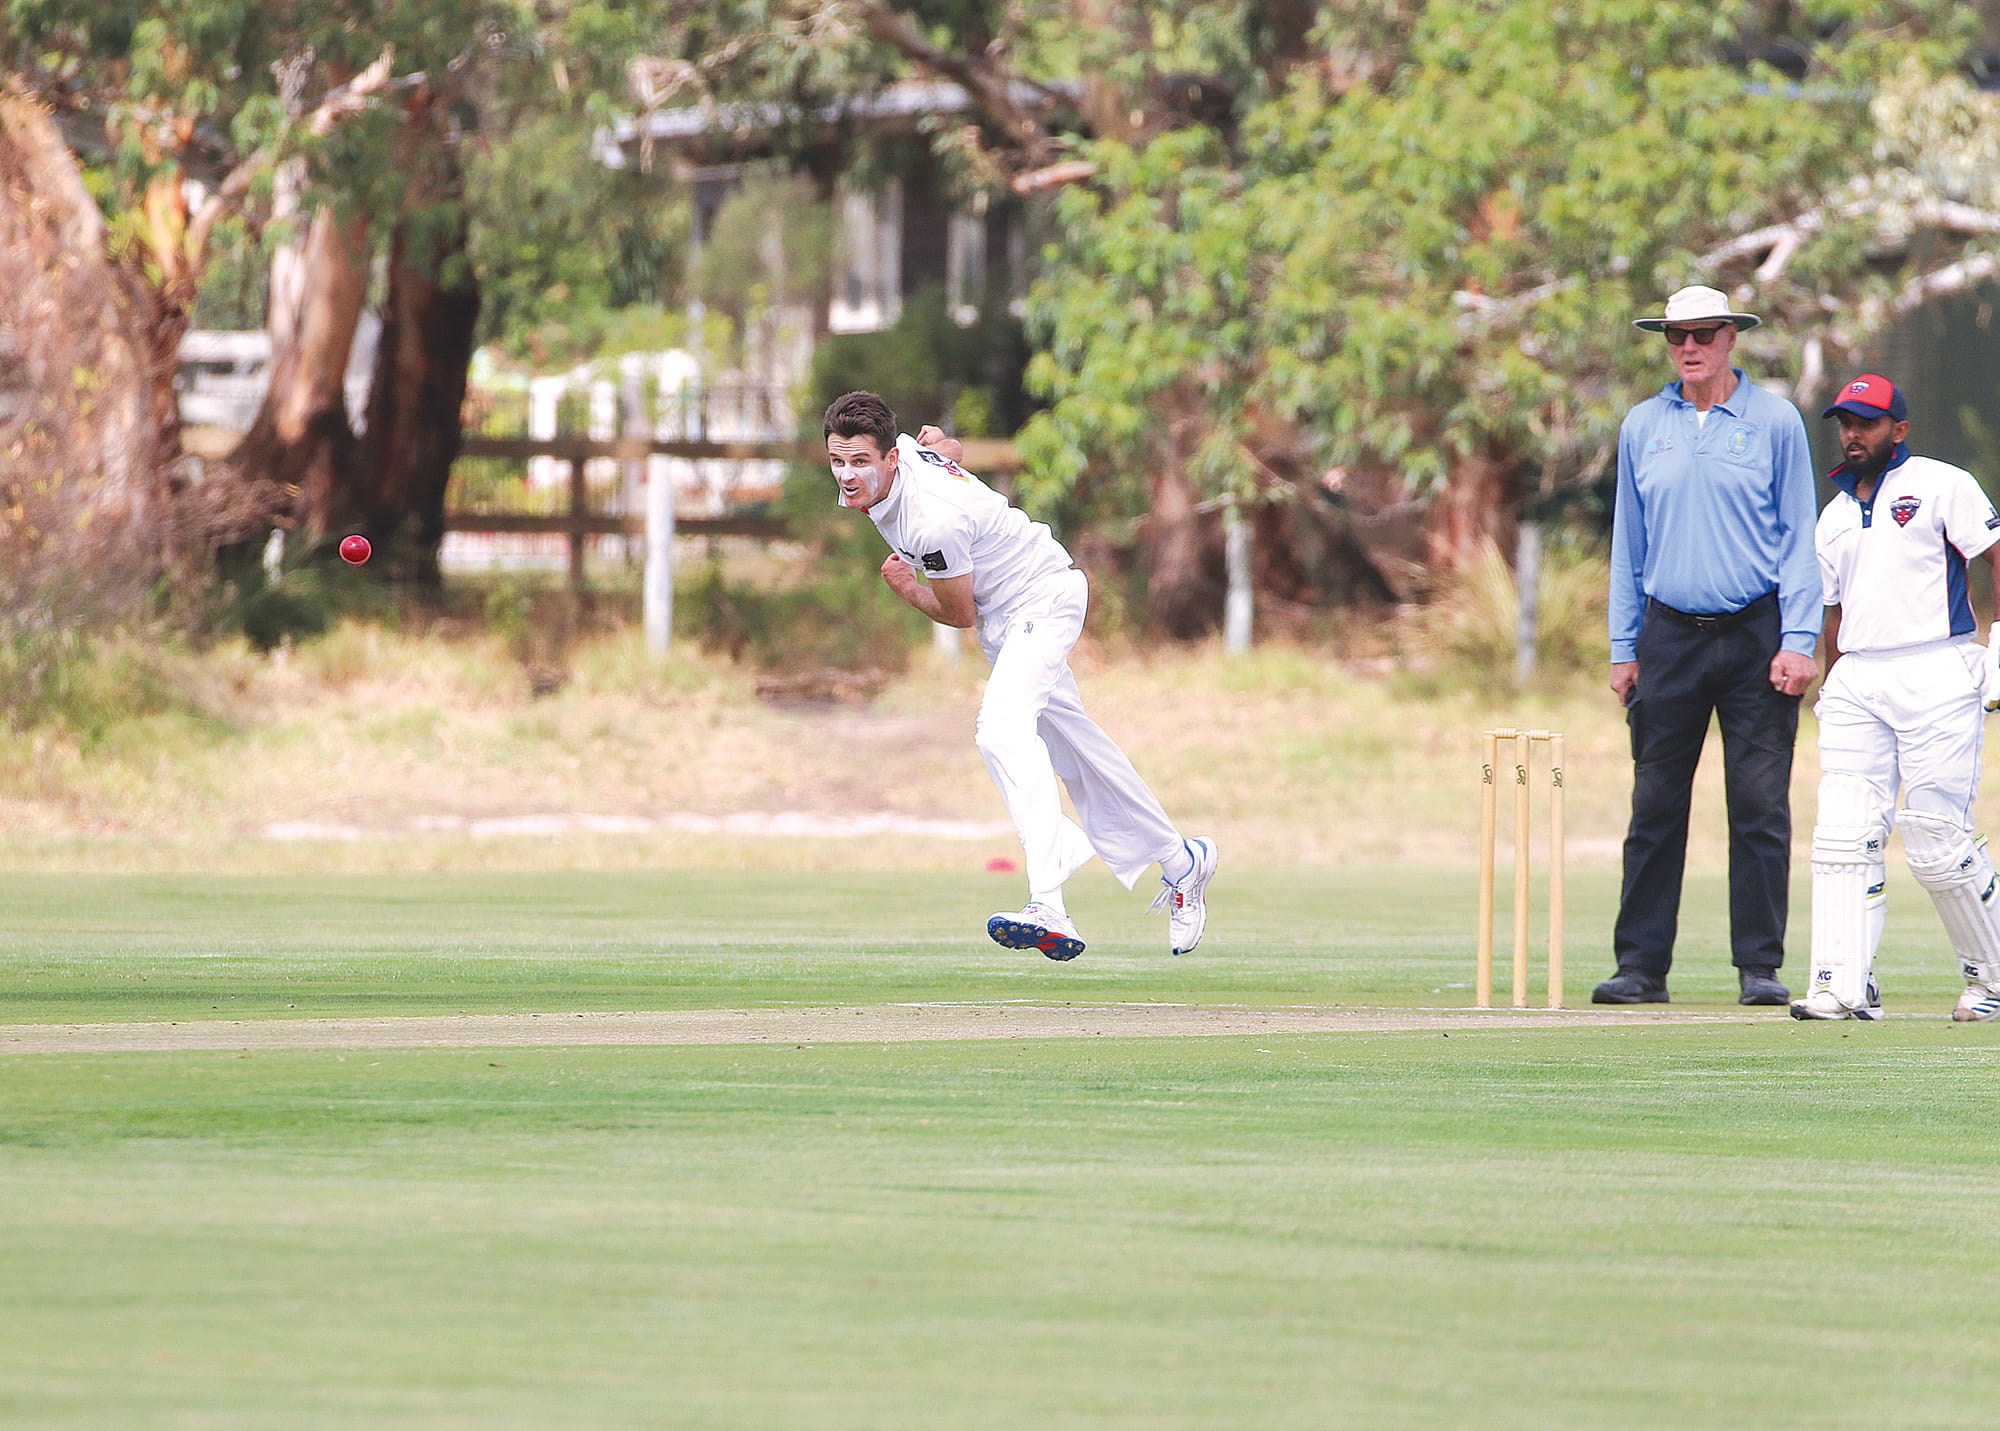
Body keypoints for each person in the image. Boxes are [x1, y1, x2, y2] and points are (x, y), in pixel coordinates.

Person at [822, 390, 1217, 961]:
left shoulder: (933, 524)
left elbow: (960, 613)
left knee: (1000, 732)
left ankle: (1048, 903)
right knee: (1080, 751)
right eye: (838, 460)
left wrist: (910, 592)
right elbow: (944, 444)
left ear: (889, 460)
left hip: (1042, 600)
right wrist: (944, 447)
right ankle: (1183, 863)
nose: (848, 474)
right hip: (1013, 621)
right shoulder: (911, 451)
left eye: (861, 461)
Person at [1596, 285, 1822, 1006]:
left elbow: (1798, 537)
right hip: (1668, 634)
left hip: (1755, 631)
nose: (1687, 347)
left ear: (1731, 338)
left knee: (1759, 805)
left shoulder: (1774, 421)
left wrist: (1799, 637)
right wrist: (1622, 646)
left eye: (1702, 334)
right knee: (1654, 805)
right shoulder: (1642, 425)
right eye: (1675, 336)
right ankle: (1640, 966)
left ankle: (1759, 964)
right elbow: (1628, 544)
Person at [1793, 373, 2000, 1022]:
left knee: (1938, 838)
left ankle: (1989, 979)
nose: (1852, 434)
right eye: (1844, 423)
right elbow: (1835, 611)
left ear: (1898, 429)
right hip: (1859, 678)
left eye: (1867, 422)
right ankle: (1843, 985)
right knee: (1844, 831)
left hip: (1937, 668)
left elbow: (1995, 554)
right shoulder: (1832, 516)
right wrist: (1832, 680)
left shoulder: (1943, 485)